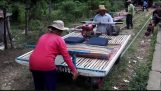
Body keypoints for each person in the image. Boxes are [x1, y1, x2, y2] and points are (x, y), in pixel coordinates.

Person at [29, 20, 78, 91]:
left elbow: (38, 51)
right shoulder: (59, 39)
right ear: (60, 31)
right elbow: (66, 57)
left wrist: (31, 67)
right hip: (46, 65)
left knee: (38, 87)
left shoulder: (43, 36)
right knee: (50, 87)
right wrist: (74, 70)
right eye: (61, 31)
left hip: (33, 63)